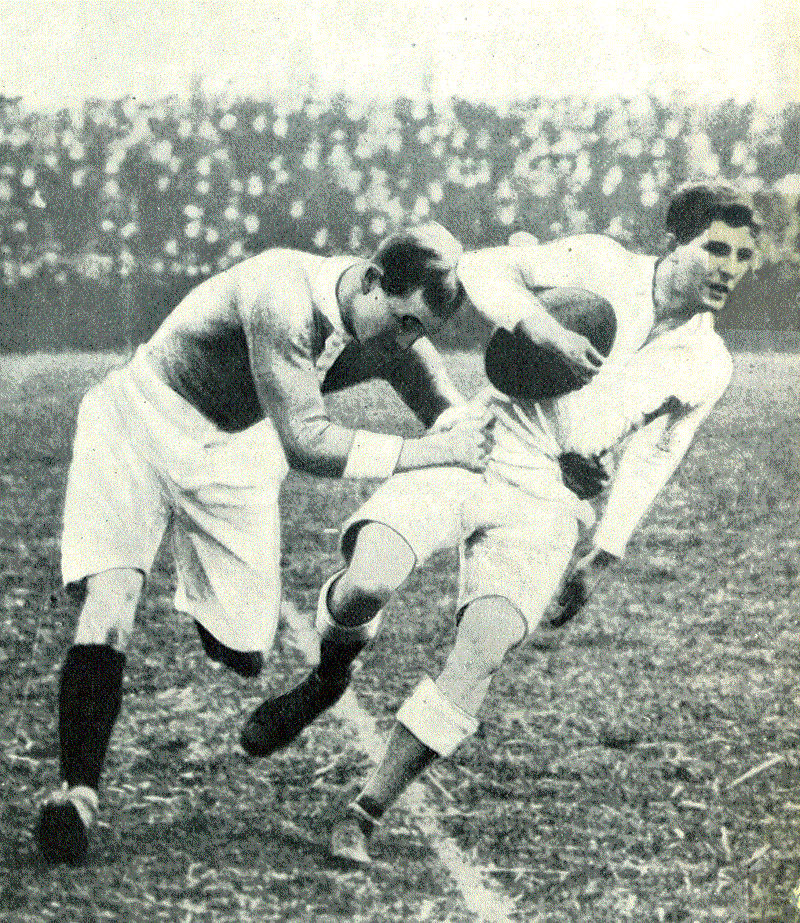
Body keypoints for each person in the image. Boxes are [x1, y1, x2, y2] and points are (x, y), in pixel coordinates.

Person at [238, 181, 760, 863]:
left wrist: (605, 551)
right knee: (368, 577)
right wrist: (542, 327)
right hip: (483, 437)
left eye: (742, 256)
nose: (728, 266)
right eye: (714, 247)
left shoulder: (708, 361)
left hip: (551, 498)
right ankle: (327, 676)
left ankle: (365, 811)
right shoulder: (600, 263)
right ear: (675, 240)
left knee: (481, 651)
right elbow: (482, 267)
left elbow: (659, 452)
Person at [35, 221, 517, 865]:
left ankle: (290, 655)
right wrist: (433, 452)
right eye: (403, 322)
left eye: (420, 332)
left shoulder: (394, 328)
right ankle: (77, 795)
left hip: (234, 456)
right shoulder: (281, 292)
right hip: (139, 421)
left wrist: (516, 436)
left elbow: (453, 419)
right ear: (373, 280)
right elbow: (307, 444)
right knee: (111, 600)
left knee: (245, 653)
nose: (408, 342)